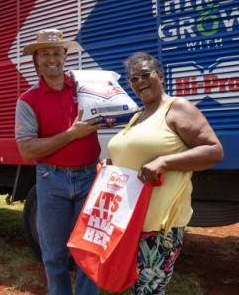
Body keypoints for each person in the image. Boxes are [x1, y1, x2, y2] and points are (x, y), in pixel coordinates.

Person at [106, 52, 224, 295]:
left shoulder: (177, 107)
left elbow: (214, 151)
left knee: (148, 291)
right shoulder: (138, 116)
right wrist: (112, 165)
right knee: (134, 286)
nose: (140, 82)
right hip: (130, 221)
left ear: (160, 75)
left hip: (159, 225)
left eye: (146, 74)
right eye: (133, 79)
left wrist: (164, 161)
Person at [15, 28, 105, 295]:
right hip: (50, 180)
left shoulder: (87, 90)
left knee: (89, 250)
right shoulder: (27, 101)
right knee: (54, 253)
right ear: (36, 61)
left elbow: (113, 112)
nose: (51, 59)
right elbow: (28, 151)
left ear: (65, 56)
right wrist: (71, 135)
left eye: (56, 53)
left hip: (89, 176)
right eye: (44, 54)